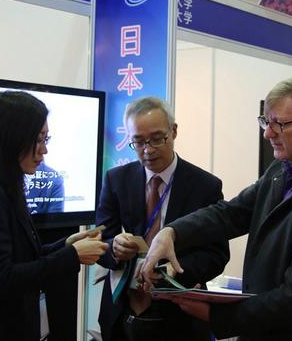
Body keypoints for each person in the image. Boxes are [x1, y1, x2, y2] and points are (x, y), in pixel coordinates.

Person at [140, 75, 292, 341]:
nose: (267, 133)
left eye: (279, 124)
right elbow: (231, 213)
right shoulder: (282, 168)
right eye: (265, 122)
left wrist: (216, 316)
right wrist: (172, 232)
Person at [0, 91, 108, 341]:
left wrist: (67, 244)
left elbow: (22, 256)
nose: (44, 150)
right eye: (38, 139)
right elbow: (0, 278)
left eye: (46, 139)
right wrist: (71, 257)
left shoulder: (5, 184)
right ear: (12, 138)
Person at [95, 96, 229, 341]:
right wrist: (114, 248)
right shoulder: (116, 180)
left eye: (157, 139)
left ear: (174, 131)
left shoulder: (204, 185)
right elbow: (101, 242)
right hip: (123, 310)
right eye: (138, 142)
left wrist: (174, 271)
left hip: (181, 314)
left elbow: (217, 254)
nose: (148, 150)